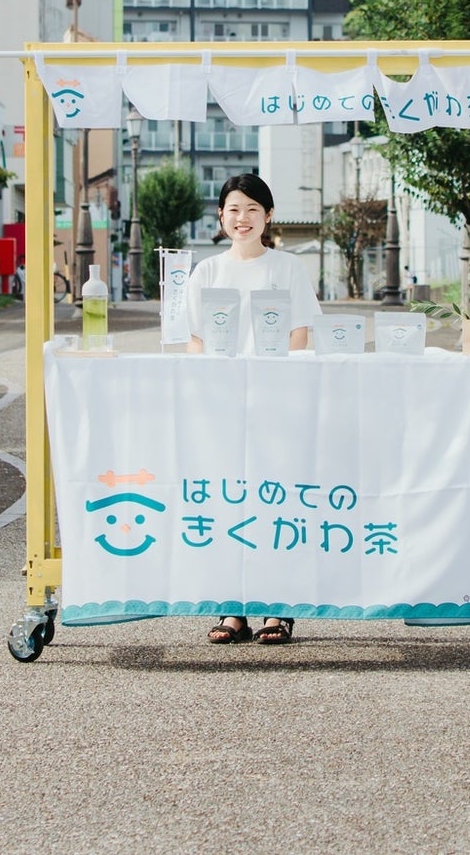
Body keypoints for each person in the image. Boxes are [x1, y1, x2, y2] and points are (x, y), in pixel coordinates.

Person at [186, 172, 320, 647]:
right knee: (228, 501)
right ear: (220, 216)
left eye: (252, 209)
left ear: (269, 216)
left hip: (277, 402)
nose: (242, 218)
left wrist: (277, 386)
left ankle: (278, 606)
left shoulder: (288, 268)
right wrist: (212, 389)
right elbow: (196, 339)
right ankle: (232, 607)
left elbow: (300, 333)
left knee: (277, 501)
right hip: (222, 404)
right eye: (234, 210)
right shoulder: (207, 272)